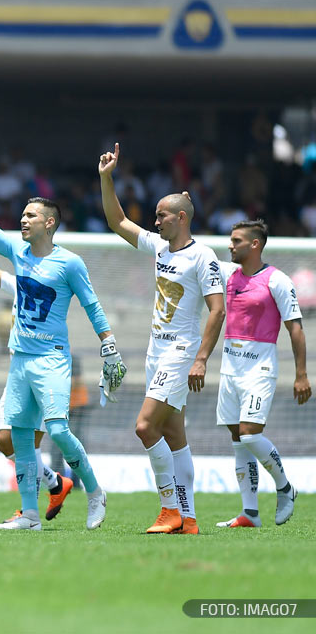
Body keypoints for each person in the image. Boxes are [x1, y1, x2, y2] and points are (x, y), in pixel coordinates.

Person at [0, 163, 122, 531]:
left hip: (52, 359)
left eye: (31, 215)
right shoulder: (18, 251)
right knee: (19, 438)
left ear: (50, 223)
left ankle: (95, 493)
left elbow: (92, 305)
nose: (23, 220)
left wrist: (108, 344)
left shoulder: (69, 263)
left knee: (59, 431)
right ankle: (30, 515)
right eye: (22, 215)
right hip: (20, 360)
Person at [98, 143, 225, 535]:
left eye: (161, 216)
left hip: (182, 351)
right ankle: (188, 519)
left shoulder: (204, 257)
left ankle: (169, 508)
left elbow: (218, 310)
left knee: (144, 427)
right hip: (157, 351)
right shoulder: (159, 247)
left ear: (181, 217)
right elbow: (118, 221)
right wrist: (106, 178)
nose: (155, 223)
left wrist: (201, 358)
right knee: (173, 434)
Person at [0, 222, 74, 524]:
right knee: (6, 441)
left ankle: (29, 510)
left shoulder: (48, 287)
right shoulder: (20, 285)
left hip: (42, 369)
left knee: (22, 442)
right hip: (18, 371)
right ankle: (55, 483)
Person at [214, 219, 308, 528]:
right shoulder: (229, 275)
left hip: (260, 368)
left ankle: (285, 487)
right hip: (230, 368)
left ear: (255, 244)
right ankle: (250, 513)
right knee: (238, 439)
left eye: (237, 240)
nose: (230, 245)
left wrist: (301, 375)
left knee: (250, 434)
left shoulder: (278, 280)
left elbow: (295, 329)